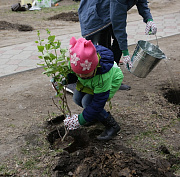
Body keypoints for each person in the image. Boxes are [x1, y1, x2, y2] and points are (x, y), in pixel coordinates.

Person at [63, 37, 124, 141]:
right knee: (77, 99)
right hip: (91, 82)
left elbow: (98, 102)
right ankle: (93, 117)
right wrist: (64, 80)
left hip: (111, 81)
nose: (81, 76)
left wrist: (80, 120)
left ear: (94, 67)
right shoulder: (76, 61)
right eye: (79, 73)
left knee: (88, 102)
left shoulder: (103, 77)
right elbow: (73, 75)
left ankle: (112, 126)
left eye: (85, 73)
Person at [78, 0, 157, 78]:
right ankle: (109, 75)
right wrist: (125, 52)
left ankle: (112, 68)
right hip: (95, 12)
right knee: (104, 46)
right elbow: (119, 25)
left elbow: (141, 2)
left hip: (108, 8)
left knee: (116, 41)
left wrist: (149, 19)